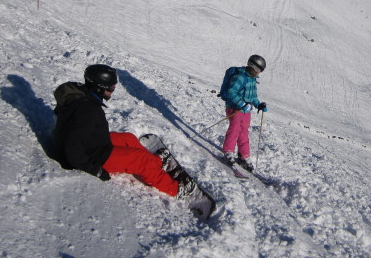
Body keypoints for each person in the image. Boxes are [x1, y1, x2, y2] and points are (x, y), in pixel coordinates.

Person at [53, 64, 197, 198]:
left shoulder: (82, 95)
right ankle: (176, 189)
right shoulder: (88, 111)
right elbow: (73, 147)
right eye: (111, 88)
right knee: (143, 161)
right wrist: (94, 169)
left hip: (92, 143)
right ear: (99, 87)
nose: (112, 91)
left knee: (128, 138)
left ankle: (156, 163)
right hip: (93, 156)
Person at [221, 55, 268, 171]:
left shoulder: (252, 80)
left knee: (244, 133)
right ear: (254, 68)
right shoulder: (240, 77)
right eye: (259, 71)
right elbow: (231, 92)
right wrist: (241, 103)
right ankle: (228, 152)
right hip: (235, 108)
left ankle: (243, 156)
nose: (259, 73)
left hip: (246, 111)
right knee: (235, 129)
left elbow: (253, 96)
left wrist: (258, 104)